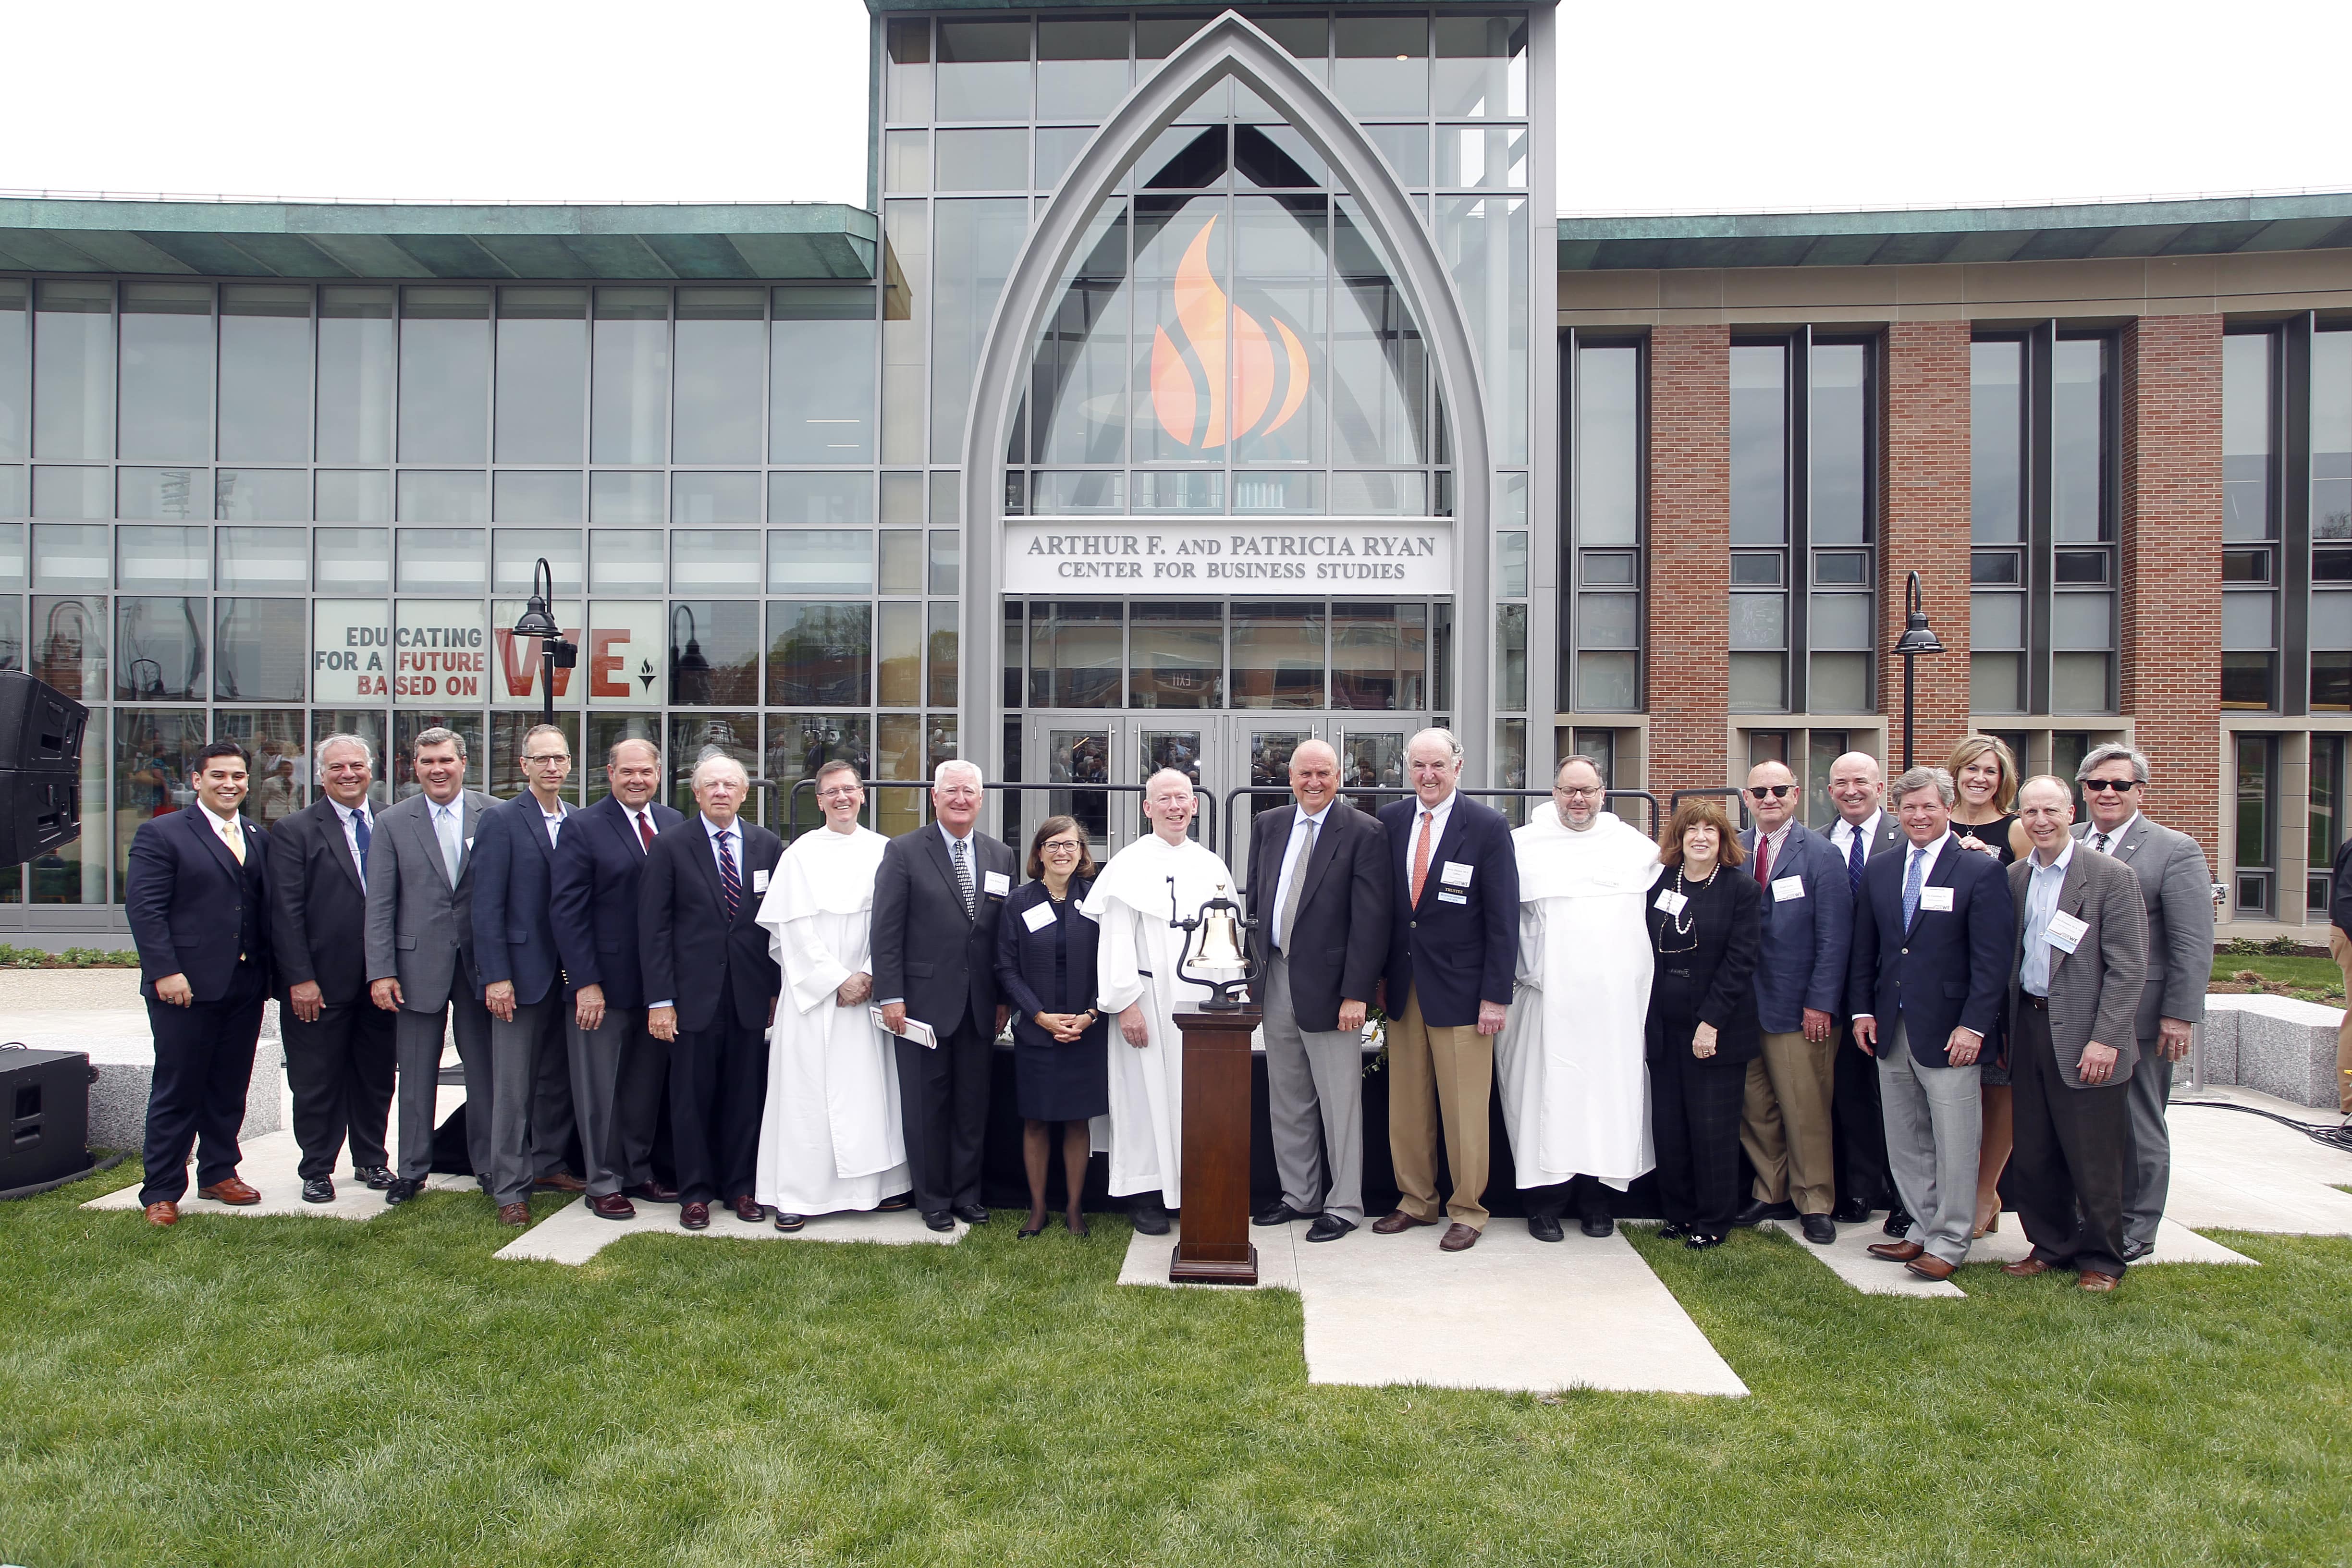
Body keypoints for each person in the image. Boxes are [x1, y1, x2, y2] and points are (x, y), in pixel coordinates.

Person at [1849, 766, 2015, 1282]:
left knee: (1956, 1140)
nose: (1919, 816)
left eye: (1929, 806)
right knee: (1906, 1138)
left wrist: (1975, 1027)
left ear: (1948, 808)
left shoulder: (1978, 870)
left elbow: (1993, 961)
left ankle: (1951, 1240)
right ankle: (1920, 1229)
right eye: (1910, 807)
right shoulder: (1882, 867)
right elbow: (1867, 948)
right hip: (1890, 1027)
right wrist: (1862, 1010)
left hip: (1951, 1032)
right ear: (1897, 811)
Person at [1496, 755, 1659, 1241]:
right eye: (1569, 791)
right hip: (1544, 1005)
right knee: (1542, 1105)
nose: (1578, 800)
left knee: (1603, 1104)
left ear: (1604, 794)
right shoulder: (1524, 847)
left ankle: (1597, 1201)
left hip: (1611, 1011)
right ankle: (1544, 1204)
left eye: (1587, 791)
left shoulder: (1633, 849)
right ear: (1554, 793)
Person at [1371, 728, 1518, 1253]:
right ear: (1406, 770)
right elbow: (1385, 912)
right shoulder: (1387, 823)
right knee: (1406, 1107)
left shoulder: (1487, 827)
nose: (1428, 776)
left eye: (1437, 765)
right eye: (1418, 766)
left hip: (1465, 993)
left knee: (1464, 1111)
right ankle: (1415, 1201)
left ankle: (1468, 1210)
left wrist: (1495, 996)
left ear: (1459, 766)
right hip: (1405, 989)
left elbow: (1503, 920)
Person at [2000, 775, 2148, 1292]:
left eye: (2050, 811)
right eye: (2030, 812)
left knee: (2094, 1156)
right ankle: (2051, 1245)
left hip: (2088, 1035)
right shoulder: (2017, 876)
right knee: (2036, 1151)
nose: (2040, 821)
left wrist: (2106, 1038)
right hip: (2031, 1027)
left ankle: (2102, 1259)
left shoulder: (2109, 876)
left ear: (2071, 813)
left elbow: (2128, 968)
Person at [2073, 743, 2217, 1258]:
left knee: (2139, 1123)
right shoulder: (2067, 842)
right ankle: (2088, 1218)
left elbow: (2192, 942)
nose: (2107, 793)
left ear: (2140, 791)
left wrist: (2179, 1015)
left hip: (2142, 1015)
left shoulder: (2174, 849)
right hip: (2073, 1013)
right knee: (2085, 1123)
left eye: (2120, 784)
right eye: (2097, 784)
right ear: (2083, 789)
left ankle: (2137, 1227)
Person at [753, 762, 911, 1229]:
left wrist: (867, 974)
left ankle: (874, 1190)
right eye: (831, 792)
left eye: (850, 790)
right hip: (814, 997)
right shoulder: (800, 854)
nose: (842, 798)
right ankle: (798, 1195)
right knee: (806, 1098)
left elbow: (890, 924)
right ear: (818, 801)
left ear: (864, 796)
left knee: (868, 1094)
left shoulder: (886, 851)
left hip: (867, 992)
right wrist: (835, 979)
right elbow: (793, 928)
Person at [1244, 739, 1390, 1244]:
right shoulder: (1269, 825)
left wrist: (1357, 994)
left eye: (1323, 774)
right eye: (1305, 774)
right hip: (1277, 975)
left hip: (1334, 987)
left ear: (1338, 778)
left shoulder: (1365, 832)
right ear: (1290, 778)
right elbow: (1258, 901)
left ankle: (1345, 1204)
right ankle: (1298, 1195)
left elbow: (1372, 923)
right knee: (1287, 1097)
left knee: (1340, 1101)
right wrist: (1254, 973)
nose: (1314, 782)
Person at [125, 740, 275, 1225]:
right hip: (184, 987)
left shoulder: (256, 835)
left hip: (245, 982)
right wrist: (165, 970)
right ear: (196, 781)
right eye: (218, 776)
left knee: (230, 1087)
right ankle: (162, 1190)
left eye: (237, 776)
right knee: (178, 1088)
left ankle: (219, 1172)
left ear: (248, 782)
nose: (229, 784)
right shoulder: (163, 833)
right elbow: (145, 910)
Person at [1080, 768, 1235, 1235]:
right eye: (1164, 799)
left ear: (1194, 806)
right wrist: (1125, 1003)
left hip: (1201, 1004)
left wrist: (1233, 999)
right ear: (1148, 808)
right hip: (1145, 1002)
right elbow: (1115, 939)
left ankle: (1193, 1190)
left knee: (1196, 1098)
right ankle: (1146, 1194)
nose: (1175, 807)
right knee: (1144, 1098)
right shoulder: (1128, 864)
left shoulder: (1210, 864)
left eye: (1182, 799)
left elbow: (1225, 936)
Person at [641, 753, 784, 1232]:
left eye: (730, 785)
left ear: (745, 794)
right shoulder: (670, 846)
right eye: (712, 785)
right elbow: (654, 929)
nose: (721, 792)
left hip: (747, 996)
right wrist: (660, 1000)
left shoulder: (767, 846)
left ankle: (741, 1188)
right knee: (691, 1099)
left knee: (745, 1097)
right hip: (689, 999)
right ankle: (697, 1192)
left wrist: (773, 989)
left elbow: (774, 929)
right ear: (696, 794)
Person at [872, 760, 1016, 1232]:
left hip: (979, 1007)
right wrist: (891, 995)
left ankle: (966, 1195)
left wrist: (1001, 999)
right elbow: (886, 932)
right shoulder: (904, 851)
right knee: (926, 1106)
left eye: (969, 792)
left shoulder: (1001, 856)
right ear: (935, 797)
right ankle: (932, 1198)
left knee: (972, 1108)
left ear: (981, 799)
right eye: (951, 791)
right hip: (920, 1005)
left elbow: (1000, 937)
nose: (960, 799)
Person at [548, 737, 684, 1220]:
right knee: (599, 1091)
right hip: (601, 989)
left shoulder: (672, 824)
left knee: (644, 1089)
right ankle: (603, 1181)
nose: (637, 780)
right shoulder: (583, 827)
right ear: (610, 773)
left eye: (646, 772)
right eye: (628, 772)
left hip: (658, 990)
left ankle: (638, 1170)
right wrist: (584, 981)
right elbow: (567, 912)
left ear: (658, 774)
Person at [364, 727, 496, 1208]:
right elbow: (379, 904)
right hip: (416, 964)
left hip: (481, 964)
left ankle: (487, 1165)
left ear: (464, 762)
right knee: (416, 1071)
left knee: (484, 1070)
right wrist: (381, 970)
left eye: (445, 760)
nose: (437, 770)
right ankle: (413, 1169)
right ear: (413, 768)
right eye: (426, 763)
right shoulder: (394, 822)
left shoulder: (495, 815)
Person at [265, 734, 394, 1203]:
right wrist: (299, 978)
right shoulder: (294, 830)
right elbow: (285, 911)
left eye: (356, 766)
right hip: (318, 984)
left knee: (376, 1076)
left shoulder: (392, 820)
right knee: (316, 1081)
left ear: (370, 769)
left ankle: (372, 1161)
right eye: (337, 767)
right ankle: (317, 1168)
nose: (348, 774)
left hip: (380, 982)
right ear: (321, 775)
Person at [1733, 759, 1854, 1245]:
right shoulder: (1734, 848)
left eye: (1779, 790)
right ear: (1746, 799)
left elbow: (1834, 937)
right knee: (1755, 1107)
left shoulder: (1821, 854)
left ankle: (1815, 1200)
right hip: (1743, 1005)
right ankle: (1772, 1189)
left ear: (1797, 795)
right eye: (1759, 792)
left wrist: (1820, 1003)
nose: (1769, 800)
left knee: (1805, 1109)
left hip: (1799, 1009)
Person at [470, 723, 581, 1227]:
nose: (552, 767)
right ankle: (510, 1187)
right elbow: (486, 905)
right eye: (542, 759)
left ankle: (549, 1164)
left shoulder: (578, 820)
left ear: (570, 764)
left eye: (559, 758)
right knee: (513, 1088)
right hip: (519, 975)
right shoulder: (501, 821)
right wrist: (496, 976)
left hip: (569, 977)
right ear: (525, 766)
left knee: (556, 1081)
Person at [1644, 797, 1763, 1248]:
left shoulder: (1740, 889)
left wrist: (1710, 1023)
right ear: (1678, 838)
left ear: (1723, 839)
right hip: (1664, 1025)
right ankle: (1677, 1214)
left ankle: (1713, 1222)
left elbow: (1741, 961)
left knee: (1711, 1128)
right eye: (1691, 829)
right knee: (1670, 1126)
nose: (1700, 837)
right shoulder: (1660, 885)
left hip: (1716, 1027)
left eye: (1710, 831)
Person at [995, 814, 1110, 1238]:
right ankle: (1038, 1210)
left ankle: (1076, 1209)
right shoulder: (1019, 902)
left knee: (1078, 1122)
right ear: (1039, 853)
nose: (1062, 852)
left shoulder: (1098, 899)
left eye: (1071, 845)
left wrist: (1091, 1014)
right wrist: (1040, 1016)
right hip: (1037, 1029)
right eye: (1053, 845)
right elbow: (1006, 967)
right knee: (1037, 1122)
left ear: (1082, 852)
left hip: (1086, 1028)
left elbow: (1112, 963)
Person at [1944, 734, 2028, 1239]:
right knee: (1957, 1087)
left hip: (1997, 973)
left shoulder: (2015, 831)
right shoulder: (1935, 821)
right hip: (1946, 974)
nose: (1979, 779)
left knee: (1999, 1087)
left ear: (2003, 780)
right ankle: (1955, 1191)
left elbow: (2028, 899)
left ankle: (1984, 1191)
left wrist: (1985, 862)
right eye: (1971, 769)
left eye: (1990, 772)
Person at [1821, 750, 1909, 1233]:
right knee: (1851, 1097)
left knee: (1899, 1102)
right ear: (1829, 790)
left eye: (1861, 781)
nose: (1851, 790)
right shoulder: (1816, 843)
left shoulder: (1908, 836)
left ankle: (1903, 1197)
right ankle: (1857, 1191)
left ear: (1880, 786)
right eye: (1841, 783)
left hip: (1895, 991)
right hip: (1837, 994)